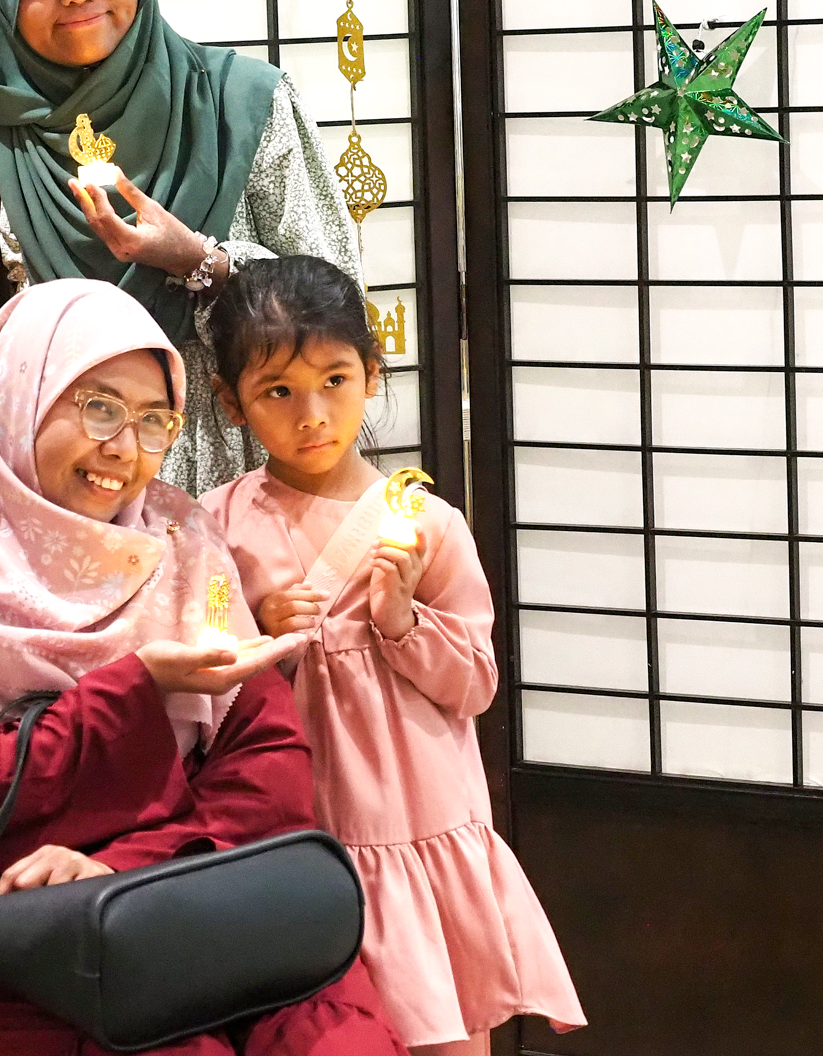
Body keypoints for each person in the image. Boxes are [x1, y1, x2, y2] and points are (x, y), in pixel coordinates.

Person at [0, 279, 409, 1056]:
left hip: (193, 895)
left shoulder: (179, 538)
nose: (125, 451)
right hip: (9, 939)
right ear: (17, 394)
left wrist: (118, 864)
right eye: (99, 407)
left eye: (152, 421)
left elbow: (270, 766)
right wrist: (137, 685)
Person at [200, 256, 586, 1056]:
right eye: (277, 391)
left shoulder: (430, 523)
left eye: (335, 379)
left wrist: (402, 618)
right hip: (302, 833)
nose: (312, 412)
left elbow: (475, 682)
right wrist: (258, 628)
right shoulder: (216, 525)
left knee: (449, 1035)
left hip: (422, 826)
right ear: (229, 402)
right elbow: (200, 669)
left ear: (372, 375)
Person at [0, 0, 361, 495]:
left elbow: (338, 306)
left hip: (248, 495)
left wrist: (199, 260)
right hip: (73, 499)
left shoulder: (242, 104)